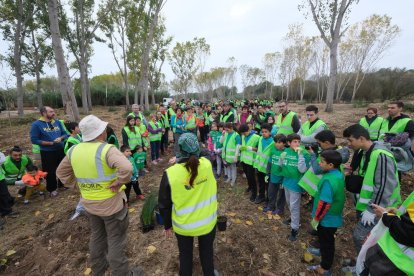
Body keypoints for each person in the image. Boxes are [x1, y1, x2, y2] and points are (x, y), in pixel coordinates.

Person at [56, 115, 141, 276]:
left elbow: (61, 173)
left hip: (89, 204)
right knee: (116, 240)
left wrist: (78, 186)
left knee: (97, 237)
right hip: (112, 205)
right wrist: (119, 182)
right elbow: (127, 168)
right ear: (101, 132)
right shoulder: (106, 149)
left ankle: (98, 271)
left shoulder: (74, 150)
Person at [158, 133, 219, 276]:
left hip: (183, 226)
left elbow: (164, 203)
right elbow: (204, 153)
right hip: (207, 222)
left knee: (185, 256)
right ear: (197, 147)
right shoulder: (207, 164)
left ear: (179, 150)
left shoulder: (170, 173)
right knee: (207, 252)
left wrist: (167, 225)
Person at [343, 124, 401, 253]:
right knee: (368, 238)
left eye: (351, 140)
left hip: (380, 208)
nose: (349, 144)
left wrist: (371, 209)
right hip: (367, 204)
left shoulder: (380, 155)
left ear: (362, 138)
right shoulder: (366, 153)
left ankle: (363, 268)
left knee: (360, 237)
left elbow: (385, 186)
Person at [307, 150, 345, 276]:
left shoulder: (329, 180)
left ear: (330, 165)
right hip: (332, 217)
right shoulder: (337, 174)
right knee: (325, 240)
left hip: (327, 219)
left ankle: (325, 267)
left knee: (327, 242)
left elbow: (324, 203)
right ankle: (322, 252)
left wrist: (317, 218)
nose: (319, 163)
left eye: (322, 161)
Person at [362, 192, 414, 276]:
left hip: (395, 265)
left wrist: (386, 216)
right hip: (393, 261)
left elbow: (407, 232)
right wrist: (399, 214)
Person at [30, 106, 68, 196]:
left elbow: (65, 134)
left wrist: (61, 138)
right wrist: (50, 143)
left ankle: (62, 184)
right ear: (44, 113)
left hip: (60, 149)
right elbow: (34, 140)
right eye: (51, 111)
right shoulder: (36, 125)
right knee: (50, 171)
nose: (53, 113)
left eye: (53, 111)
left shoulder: (57, 122)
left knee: (62, 168)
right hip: (47, 152)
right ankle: (52, 189)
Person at [280, 133, 309, 241]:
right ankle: (292, 218)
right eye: (294, 142)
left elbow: (302, 170)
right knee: (289, 203)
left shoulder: (304, 153)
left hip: (296, 184)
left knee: (294, 206)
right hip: (286, 182)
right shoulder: (286, 151)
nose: (297, 144)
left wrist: (301, 155)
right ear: (288, 143)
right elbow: (281, 165)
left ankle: (294, 229)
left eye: (298, 141)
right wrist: (281, 159)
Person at [264, 134, 286, 215]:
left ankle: (280, 209)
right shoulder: (273, 150)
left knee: (281, 195)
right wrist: (267, 173)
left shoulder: (286, 152)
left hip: (282, 178)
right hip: (273, 176)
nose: (277, 144)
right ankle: (271, 206)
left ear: (284, 143)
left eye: (279, 142)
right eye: (276, 142)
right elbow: (269, 163)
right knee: (271, 192)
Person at [253, 123, 274, 204]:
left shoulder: (273, 142)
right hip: (259, 166)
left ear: (270, 132)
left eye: (266, 132)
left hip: (267, 168)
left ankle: (268, 199)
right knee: (260, 183)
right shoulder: (261, 139)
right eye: (262, 132)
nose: (263, 133)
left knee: (268, 185)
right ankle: (261, 196)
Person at [239, 123, 260, 202]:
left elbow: (259, 149)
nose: (243, 134)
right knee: (247, 176)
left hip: (251, 161)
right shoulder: (243, 136)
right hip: (244, 159)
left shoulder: (257, 137)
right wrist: (241, 148)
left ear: (248, 130)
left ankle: (254, 193)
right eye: (242, 133)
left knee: (251, 177)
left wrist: (249, 148)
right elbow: (243, 145)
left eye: (244, 133)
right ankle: (250, 186)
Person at [220, 122, 241, 186]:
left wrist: (236, 156)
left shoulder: (236, 135)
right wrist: (222, 135)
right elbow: (221, 142)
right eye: (225, 129)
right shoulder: (225, 133)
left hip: (232, 156)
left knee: (233, 167)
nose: (226, 131)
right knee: (227, 167)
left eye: (227, 130)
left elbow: (238, 146)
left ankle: (233, 179)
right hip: (226, 155)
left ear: (231, 128)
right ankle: (229, 177)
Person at [0, 151, 18, 220]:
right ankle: (6, 211)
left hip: (1, 176)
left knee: (4, 194)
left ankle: (6, 209)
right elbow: (2, 160)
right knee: (3, 194)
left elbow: (2, 160)